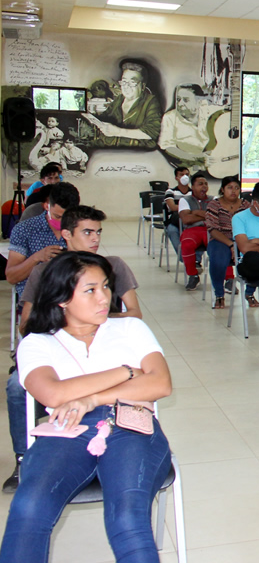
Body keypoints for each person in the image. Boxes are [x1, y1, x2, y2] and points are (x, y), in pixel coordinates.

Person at [1, 252, 173, 561]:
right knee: (29, 508)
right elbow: (53, 395)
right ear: (61, 298)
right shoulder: (38, 341)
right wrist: (125, 372)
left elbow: (160, 383)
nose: (104, 297)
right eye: (90, 290)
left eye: (106, 287)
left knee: (127, 519)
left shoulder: (130, 328)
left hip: (130, 424)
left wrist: (90, 398)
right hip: (65, 430)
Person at [5, 206, 141, 494]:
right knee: (17, 387)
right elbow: (26, 324)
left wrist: (98, 320)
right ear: (66, 235)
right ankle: (23, 458)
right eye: (87, 232)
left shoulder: (113, 265)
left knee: (132, 380)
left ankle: (115, 445)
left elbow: (135, 313)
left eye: (98, 232)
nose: (95, 239)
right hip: (57, 350)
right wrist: (68, 324)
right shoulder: (45, 271)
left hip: (104, 352)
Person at [6, 182, 80, 297]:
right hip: (36, 297)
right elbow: (11, 277)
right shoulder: (24, 230)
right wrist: (36, 258)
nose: (62, 222)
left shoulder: (80, 229)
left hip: (70, 294)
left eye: (67, 217)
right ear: (46, 206)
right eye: (57, 217)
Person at [83, 61, 161, 149]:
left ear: (142, 86)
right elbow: (105, 117)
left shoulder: (150, 102)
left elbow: (152, 132)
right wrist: (90, 115)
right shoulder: (119, 99)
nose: (126, 86)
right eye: (124, 82)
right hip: (113, 147)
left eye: (132, 82)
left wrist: (118, 132)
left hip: (137, 150)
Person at [205, 176, 250, 309]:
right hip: (220, 240)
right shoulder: (214, 205)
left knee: (255, 258)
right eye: (230, 188)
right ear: (222, 189)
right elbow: (212, 230)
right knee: (218, 259)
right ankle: (219, 294)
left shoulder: (246, 205)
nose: (234, 191)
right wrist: (231, 244)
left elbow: (250, 226)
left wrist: (238, 243)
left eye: (237, 188)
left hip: (242, 239)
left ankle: (250, 293)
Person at [158, 83, 225, 171]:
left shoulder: (212, 112)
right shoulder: (169, 117)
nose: (180, 104)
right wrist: (195, 157)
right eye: (178, 99)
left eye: (186, 100)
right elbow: (168, 147)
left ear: (199, 102)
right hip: (189, 166)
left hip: (218, 163)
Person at [179, 172, 212, 291]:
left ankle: (228, 278)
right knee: (187, 244)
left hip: (211, 229)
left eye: (206, 184)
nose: (204, 186)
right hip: (192, 230)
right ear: (192, 187)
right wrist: (206, 215)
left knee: (221, 245)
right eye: (200, 184)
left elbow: (217, 217)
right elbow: (186, 219)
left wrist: (195, 212)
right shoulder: (185, 200)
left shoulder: (214, 200)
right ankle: (193, 275)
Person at [163, 166, 192, 254]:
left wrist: (180, 207)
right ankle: (184, 257)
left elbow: (198, 207)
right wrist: (188, 207)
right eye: (181, 175)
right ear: (176, 178)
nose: (185, 177)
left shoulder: (194, 193)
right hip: (174, 222)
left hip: (190, 221)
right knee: (172, 231)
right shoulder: (170, 192)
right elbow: (172, 207)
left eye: (187, 174)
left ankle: (196, 260)